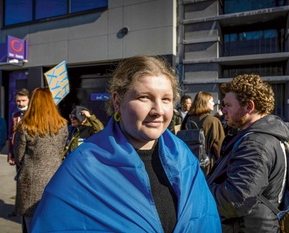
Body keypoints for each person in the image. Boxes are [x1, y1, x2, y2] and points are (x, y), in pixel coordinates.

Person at [30, 55, 221, 233]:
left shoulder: (183, 155)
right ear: (117, 101)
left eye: (166, 99)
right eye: (144, 97)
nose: (158, 110)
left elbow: (205, 218)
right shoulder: (84, 164)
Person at [206, 74, 289, 232]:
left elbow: (235, 200)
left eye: (228, 105)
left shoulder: (256, 144)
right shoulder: (259, 136)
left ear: (249, 107)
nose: (223, 111)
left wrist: (199, 191)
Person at [13, 88, 68, 233]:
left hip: (31, 178)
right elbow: (61, 149)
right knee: (51, 217)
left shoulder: (25, 126)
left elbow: (18, 155)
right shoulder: (62, 125)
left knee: (30, 221)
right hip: (56, 176)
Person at [181, 91, 225, 175]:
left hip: (189, 165)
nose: (214, 103)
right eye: (211, 101)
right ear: (204, 103)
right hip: (208, 166)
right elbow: (219, 147)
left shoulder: (187, 120)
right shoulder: (213, 121)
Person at [7, 88, 31, 217]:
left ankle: (29, 209)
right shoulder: (15, 115)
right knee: (19, 182)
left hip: (30, 153)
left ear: (29, 100)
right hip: (18, 153)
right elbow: (13, 135)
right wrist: (11, 153)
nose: (20, 103)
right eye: (18, 101)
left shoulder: (33, 114)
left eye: (23, 100)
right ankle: (18, 209)